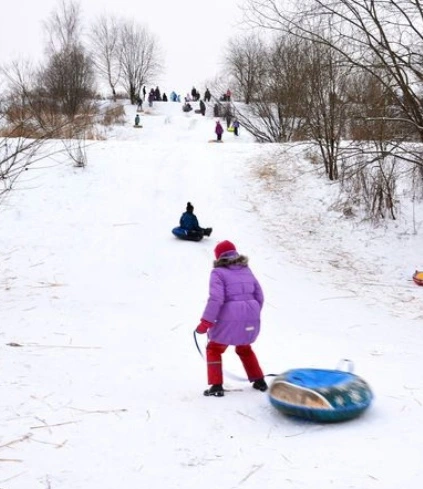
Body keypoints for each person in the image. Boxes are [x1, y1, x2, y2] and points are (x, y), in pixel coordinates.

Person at [196, 240, 268, 397]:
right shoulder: (246, 270)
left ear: (218, 256)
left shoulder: (218, 273)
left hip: (229, 316)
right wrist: (252, 314)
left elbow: (216, 299)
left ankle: (216, 386)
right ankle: (259, 380)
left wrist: (205, 322)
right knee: (244, 348)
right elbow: (259, 295)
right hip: (251, 315)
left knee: (214, 349)